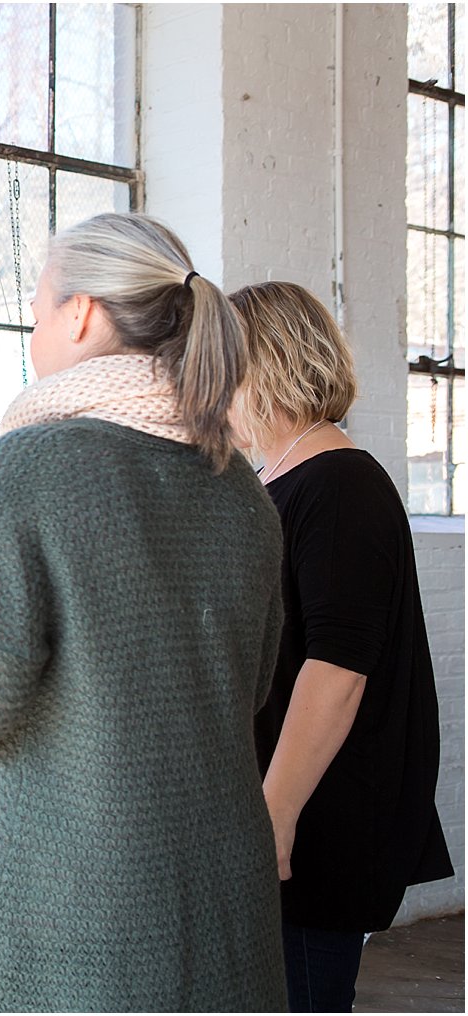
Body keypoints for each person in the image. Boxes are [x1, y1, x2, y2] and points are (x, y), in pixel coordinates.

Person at [0, 213, 288, 1011]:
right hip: (220, 917)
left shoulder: (26, 465)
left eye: (35, 312)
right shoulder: (239, 486)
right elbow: (250, 687)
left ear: (80, 314)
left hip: (71, 931)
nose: (32, 334)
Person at [227, 280, 453, 1012]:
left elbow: (337, 668)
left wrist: (276, 814)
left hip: (317, 821)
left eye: (221, 369)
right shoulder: (283, 479)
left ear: (265, 369)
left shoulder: (340, 485)